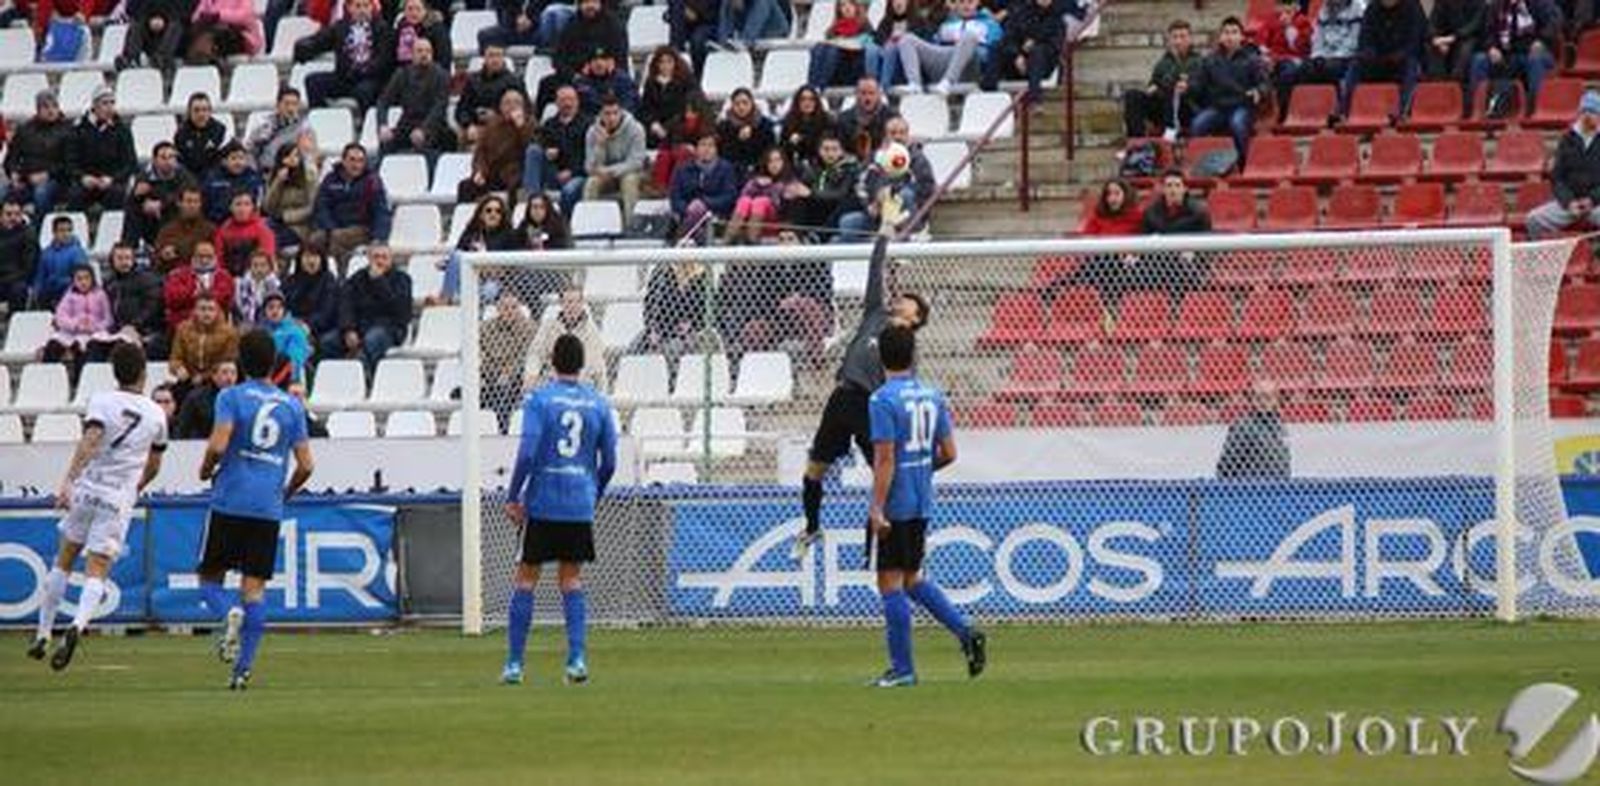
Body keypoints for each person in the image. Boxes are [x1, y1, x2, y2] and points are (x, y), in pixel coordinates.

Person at [27, 343, 167, 671]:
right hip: (117, 497)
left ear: (114, 373)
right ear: (144, 374)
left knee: (63, 560)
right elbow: (155, 464)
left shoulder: (101, 401)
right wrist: (134, 488)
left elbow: (89, 441)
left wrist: (68, 481)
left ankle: (43, 634)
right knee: (97, 568)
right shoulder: (156, 413)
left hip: (88, 489)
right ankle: (77, 625)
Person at [864, 323, 985, 687]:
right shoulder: (933, 396)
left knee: (890, 583)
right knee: (912, 578)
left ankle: (903, 671)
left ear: (880, 358)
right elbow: (949, 453)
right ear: (913, 355)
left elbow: (884, 459)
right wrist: (921, 469)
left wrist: (877, 508)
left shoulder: (882, 400)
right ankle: (966, 633)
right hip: (921, 501)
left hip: (897, 502)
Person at [794, 237, 930, 560]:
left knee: (886, 474)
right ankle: (812, 527)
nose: (901, 300)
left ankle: (893, 533)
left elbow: (902, 389)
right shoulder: (874, 315)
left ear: (917, 318)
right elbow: (875, 274)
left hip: (871, 407)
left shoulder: (906, 347)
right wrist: (882, 238)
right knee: (814, 470)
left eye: (910, 301)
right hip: (842, 398)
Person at [196, 329, 315, 690]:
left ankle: (226, 612)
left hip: (230, 499)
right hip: (267, 506)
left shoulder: (230, 397)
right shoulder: (291, 406)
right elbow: (307, 465)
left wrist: (204, 470)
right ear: (274, 363)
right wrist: (285, 493)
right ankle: (242, 670)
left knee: (210, 579)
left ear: (241, 363)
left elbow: (218, 444)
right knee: (255, 591)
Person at [501, 333, 617, 686]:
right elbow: (610, 460)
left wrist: (513, 494)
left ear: (552, 361)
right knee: (571, 579)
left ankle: (515, 665)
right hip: (578, 502)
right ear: (582, 365)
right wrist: (593, 492)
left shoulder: (539, 400)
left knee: (525, 579)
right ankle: (577, 660)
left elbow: (528, 451)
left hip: (543, 501)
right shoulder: (598, 403)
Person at [294, 0, 394, 112]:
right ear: (349, 8)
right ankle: (323, 117)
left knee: (365, 91)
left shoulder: (382, 28)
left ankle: (365, 123)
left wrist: (363, 69)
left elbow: (383, 60)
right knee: (313, 82)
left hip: (369, 78)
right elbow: (320, 41)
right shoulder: (340, 27)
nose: (362, 10)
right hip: (344, 77)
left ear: (372, 7)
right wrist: (302, 46)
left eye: (366, 6)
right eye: (358, 6)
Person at [1189, 17, 1264, 164]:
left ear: (1241, 37)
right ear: (1221, 36)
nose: (1230, 36)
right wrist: (1187, 87)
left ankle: (1243, 163)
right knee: (1197, 125)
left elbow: (1264, 83)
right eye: (1226, 32)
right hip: (1217, 107)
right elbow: (1198, 84)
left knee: (1238, 124)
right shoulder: (1209, 60)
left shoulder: (1252, 59)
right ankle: (1202, 164)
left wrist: (1258, 91)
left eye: (1234, 32)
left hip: (1241, 106)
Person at [1528, 91, 1600, 238]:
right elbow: (1557, 178)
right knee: (1534, 219)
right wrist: (1569, 202)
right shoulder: (1567, 139)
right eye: (1585, 111)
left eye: (1592, 111)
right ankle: (1542, 258)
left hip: (1596, 204)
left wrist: (1592, 199)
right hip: (1569, 205)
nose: (1588, 115)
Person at [332, 244, 412, 373]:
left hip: (390, 328)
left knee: (372, 339)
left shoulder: (402, 279)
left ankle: (363, 378)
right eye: (376, 257)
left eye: (384, 257)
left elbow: (401, 312)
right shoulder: (357, 278)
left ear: (391, 259)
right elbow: (346, 305)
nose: (380, 261)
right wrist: (349, 329)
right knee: (328, 341)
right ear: (369, 259)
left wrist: (379, 281)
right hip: (360, 326)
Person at [1466, 0, 1558, 113]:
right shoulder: (1495, 7)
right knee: (1479, 60)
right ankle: (1477, 107)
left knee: (1535, 60)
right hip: (1505, 55)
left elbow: (1554, 23)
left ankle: (1535, 108)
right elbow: (1486, 33)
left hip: (1532, 52)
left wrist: (1542, 41)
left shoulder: (1539, 3)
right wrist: (1491, 48)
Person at [895, 0, 1001, 95]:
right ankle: (915, 84)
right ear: (955, 4)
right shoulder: (946, 23)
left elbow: (993, 52)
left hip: (970, 65)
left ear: (978, 2)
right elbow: (934, 46)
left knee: (969, 36)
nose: (966, 5)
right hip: (944, 60)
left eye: (970, 1)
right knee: (907, 38)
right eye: (962, 1)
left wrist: (964, 44)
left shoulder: (989, 24)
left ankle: (948, 82)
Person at [311, 143, 393, 268]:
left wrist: (379, 238)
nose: (356, 165)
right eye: (352, 160)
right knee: (314, 240)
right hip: (334, 228)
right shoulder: (330, 179)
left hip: (362, 228)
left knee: (338, 238)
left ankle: (339, 277)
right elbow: (321, 206)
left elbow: (381, 211)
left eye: (360, 161)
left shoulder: (372, 181)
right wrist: (330, 227)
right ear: (343, 161)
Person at [638, 47, 709, 191]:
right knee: (663, 155)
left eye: (669, 61)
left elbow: (693, 109)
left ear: (676, 63)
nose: (665, 66)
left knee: (679, 153)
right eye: (661, 62)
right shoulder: (651, 83)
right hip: (657, 131)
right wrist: (653, 124)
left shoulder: (687, 82)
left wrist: (671, 127)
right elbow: (645, 109)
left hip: (682, 131)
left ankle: (675, 187)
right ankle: (659, 188)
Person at [1341, 0, 1425, 117]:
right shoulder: (1372, 9)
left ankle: (1403, 113)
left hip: (1402, 60)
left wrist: (1399, 55)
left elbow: (1415, 42)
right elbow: (1365, 40)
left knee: (1411, 66)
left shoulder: (1413, 8)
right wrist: (1370, 54)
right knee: (1356, 65)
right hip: (1377, 60)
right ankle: (1344, 111)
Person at [375, 37, 454, 159]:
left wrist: (424, 130)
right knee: (386, 143)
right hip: (407, 123)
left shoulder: (442, 75)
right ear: (412, 54)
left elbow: (439, 107)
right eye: (420, 51)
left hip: (435, 126)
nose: (424, 54)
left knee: (432, 144)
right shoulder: (402, 74)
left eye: (428, 51)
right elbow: (383, 102)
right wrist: (383, 125)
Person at [1123, 20, 1200, 139]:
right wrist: (1152, 88)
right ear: (1169, 40)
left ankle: (1170, 132)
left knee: (1172, 88)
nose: (1178, 41)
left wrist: (1187, 86)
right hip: (1162, 106)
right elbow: (1153, 84)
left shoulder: (1198, 62)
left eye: (1182, 36)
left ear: (1190, 39)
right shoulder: (1163, 63)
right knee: (1132, 96)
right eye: (1175, 37)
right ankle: (1136, 140)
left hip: (1186, 107)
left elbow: (1200, 86)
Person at [64, 87, 136, 212]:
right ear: (94, 105)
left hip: (111, 181)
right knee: (75, 196)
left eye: (112, 103)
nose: (109, 107)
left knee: (117, 195)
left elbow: (130, 162)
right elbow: (70, 161)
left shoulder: (122, 130)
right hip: (85, 181)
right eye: (105, 103)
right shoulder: (78, 129)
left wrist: (113, 178)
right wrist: (82, 177)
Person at [458, 90, 537, 205]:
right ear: (501, 107)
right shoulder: (492, 125)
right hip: (492, 173)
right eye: (507, 103)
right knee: (465, 186)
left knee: (515, 188)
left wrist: (521, 127)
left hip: (516, 174)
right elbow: (481, 152)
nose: (512, 106)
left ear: (523, 106)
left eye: (516, 103)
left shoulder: (530, 123)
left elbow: (531, 149)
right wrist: (479, 171)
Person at [40, 264, 115, 382]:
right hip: (71, 333)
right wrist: (75, 324)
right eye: (79, 279)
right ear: (73, 281)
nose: (83, 282)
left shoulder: (101, 295)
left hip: (94, 333)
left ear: (92, 279)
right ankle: (48, 379)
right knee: (53, 346)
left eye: (86, 278)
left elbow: (108, 318)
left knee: (86, 351)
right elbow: (60, 317)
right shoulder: (69, 296)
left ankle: (79, 382)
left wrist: (95, 326)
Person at [525, 285, 607, 390]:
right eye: (568, 302)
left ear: (582, 304)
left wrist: (602, 390)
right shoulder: (548, 326)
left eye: (576, 302)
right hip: (552, 382)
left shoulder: (591, 331)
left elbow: (599, 365)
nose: (572, 306)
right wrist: (532, 373)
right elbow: (535, 353)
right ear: (561, 304)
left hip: (582, 385)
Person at [581, 93, 648, 222]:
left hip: (632, 173)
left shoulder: (636, 129)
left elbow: (637, 162)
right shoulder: (592, 132)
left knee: (629, 181)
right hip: (605, 177)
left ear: (621, 112)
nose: (611, 118)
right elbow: (589, 167)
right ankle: (589, 224)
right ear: (600, 114)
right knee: (591, 183)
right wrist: (600, 146)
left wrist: (609, 171)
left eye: (615, 113)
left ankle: (632, 225)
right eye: (607, 113)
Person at [980, 0, 1063, 102]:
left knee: (1039, 52)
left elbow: (1056, 46)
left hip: (1042, 66)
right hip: (1017, 62)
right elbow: (1009, 37)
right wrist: (1017, 55)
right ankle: (989, 91)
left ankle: (1034, 98)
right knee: (997, 47)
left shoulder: (1058, 18)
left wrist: (1035, 42)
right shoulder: (1021, 13)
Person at [526, 85, 591, 216]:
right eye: (563, 100)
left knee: (569, 191)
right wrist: (546, 150)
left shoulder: (588, 124)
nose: (567, 103)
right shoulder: (549, 124)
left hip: (578, 174)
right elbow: (537, 141)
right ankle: (534, 200)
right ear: (556, 103)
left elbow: (591, 155)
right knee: (533, 151)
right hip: (553, 172)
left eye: (571, 99)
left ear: (577, 101)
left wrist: (572, 172)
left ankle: (563, 224)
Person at [4, 90, 70, 217]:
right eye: (46, 107)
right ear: (38, 109)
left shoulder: (67, 130)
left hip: (57, 181)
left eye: (54, 106)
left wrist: (47, 174)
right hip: (27, 179)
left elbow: (69, 164)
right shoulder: (25, 130)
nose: (51, 110)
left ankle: (40, 229)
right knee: (3, 192)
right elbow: (12, 158)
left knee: (41, 193)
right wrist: (14, 173)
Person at [123, 141, 197, 251]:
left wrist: (160, 203)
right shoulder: (144, 176)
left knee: (182, 206)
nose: (168, 161)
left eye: (171, 157)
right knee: (133, 208)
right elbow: (134, 199)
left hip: (175, 217)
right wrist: (138, 198)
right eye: (163, 157)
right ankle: (130, 247)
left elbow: (185, 194)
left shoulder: (185, 176)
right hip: (152, 221)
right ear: (154, 160)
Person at [481, 288, 538, 430]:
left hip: (516, 377)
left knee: (504, 388)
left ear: (519, 308)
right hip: (490, 374)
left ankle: (502, 427)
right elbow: (479, 352)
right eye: (505, 307)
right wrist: (490, 371)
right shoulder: (485, 328)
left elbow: (525, 356)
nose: (509, 311)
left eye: (513, 307)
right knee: (487, 386)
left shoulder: (529, 327)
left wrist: (507, 372)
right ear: (498, 309)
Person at [168, 293, 240, 402]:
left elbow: (227, 361)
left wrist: (205, 376)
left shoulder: (229, 333)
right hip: (189, 379)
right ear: (195, 311)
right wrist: (178, 368)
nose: (207, 314)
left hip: (216, 381)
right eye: (202, 309)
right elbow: (175, 357)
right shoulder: (183, 329)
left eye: (211, 309)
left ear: (217, 311)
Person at [669, 132, 739, 242]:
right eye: (703, 145)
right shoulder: (682, 169)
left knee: (698, 210)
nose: (706, 149)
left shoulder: (726, 168)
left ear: (716, 149)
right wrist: (688, 208)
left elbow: (729, 196)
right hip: (686, 214)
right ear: (696, 148)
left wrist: (705, 203)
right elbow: (675, 197)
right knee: (694, 212)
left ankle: (682, 240)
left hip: (716, 215)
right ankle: (693, 238)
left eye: (710, 145)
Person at [456, 45, 529, 146]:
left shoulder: (514, 81)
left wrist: (497, 116)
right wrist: (468, 124)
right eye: (491, 56)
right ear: (484, 59)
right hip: (477, 124)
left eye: (498, 55)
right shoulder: (473, 81)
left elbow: (525, 109)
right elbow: (462, 108)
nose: (495, 60)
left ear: (503, 58)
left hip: (505, 127)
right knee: (464, 135)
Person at [787, 132, 862, 231]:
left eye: (835, 149)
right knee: (797, 201)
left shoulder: (850, 168)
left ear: (842, 151)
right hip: (816, 209)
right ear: (819, 150)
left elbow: (841, 195)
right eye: (826, 149)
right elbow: (803, 185)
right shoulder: (813, 166)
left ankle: (816, 236)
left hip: (835, 211)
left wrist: (811, 194)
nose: (830, 154)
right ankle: (796, 237)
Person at [1217, 382, 1291, 479]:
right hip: (1253, 487)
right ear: (1252, 399)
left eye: (1268, 397)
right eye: (1258, 397)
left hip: (1278, 487)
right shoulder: (1243, 426)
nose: (1263, 401)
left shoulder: (1279, 425)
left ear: (1276, 400)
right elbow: (1225, 466)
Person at [103, 243, 167, 356]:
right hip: (118, 330)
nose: (124, 262)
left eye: (127, 258)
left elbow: (151, 308)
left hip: (146, 329)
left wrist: (134, 325)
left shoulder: (146, 279)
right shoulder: (109, 283)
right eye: (120, 258)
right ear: (112, 260)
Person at [724, 147, 796, 241]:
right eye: (770, 161)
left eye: (777, 160)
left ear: (784, 162)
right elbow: (743, 194)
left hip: (776, 221)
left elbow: (780, 203)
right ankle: (727, 240)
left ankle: (751, 241)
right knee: (744, 200)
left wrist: (769, 187)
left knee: (761, 201)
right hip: (751, 218)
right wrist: (756, 185)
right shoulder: (757, 179)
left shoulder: (790, 180)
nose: (774, 164)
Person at [163, 240, 236, 333]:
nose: (204, 261)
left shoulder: (224, 275)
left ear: (215, 257)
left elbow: (225, 298)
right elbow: (172, 299)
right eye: (200, 256)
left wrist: (198, 295)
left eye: (208, 257)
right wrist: (195, 293)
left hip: (216, 324)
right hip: (184, 323)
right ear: (193, 257)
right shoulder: (178, 274)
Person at [810, 0, 880, 90]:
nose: (847, 8)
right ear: (839, 10)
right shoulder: (833, 30)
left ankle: (817, 87)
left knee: (833, 50)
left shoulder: (866, 28)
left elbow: (870, 46)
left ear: (856, 7)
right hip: (837, 70)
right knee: (819, 48)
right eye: (843, 5)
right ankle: (813, 86)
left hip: (855, 70)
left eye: (851, 4)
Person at [282, 247, 341, 354]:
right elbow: (283, 306)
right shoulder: (290, 281)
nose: (311, 261)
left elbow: (327, 312)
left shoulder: (328, 280)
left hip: (319, 328)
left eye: (315, 256)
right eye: (307, 257)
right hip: (292, 324)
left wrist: (308, 324)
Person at [263, 144, 317, 255]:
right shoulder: (275, 176)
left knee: (272, 240)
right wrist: (278, 182)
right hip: (276, 221)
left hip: (299, 227)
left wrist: (286, 217)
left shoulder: (309, 177)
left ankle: (271, 268)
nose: (292, 159)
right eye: (288, 156)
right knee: (257, 231)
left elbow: (312, 208)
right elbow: (268, 207)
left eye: (296, 155)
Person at [874, 0, 941, 89]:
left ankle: (883, 87)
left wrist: (902, 38)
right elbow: (878, 39)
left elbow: (925, 41)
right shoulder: (885, 22)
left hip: (910, 60)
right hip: (888, 57)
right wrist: (889, 40)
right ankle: (873, 83)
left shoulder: (919, 21)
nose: (898, 3)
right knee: (876, 49)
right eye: (894, 1)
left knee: (893, 47)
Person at [246, 87, 315, 172]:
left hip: (291, 174)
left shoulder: (304, 128)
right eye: (286, 104)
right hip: (264, 173)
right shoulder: (263, 124)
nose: (290, 109)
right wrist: (254, 172)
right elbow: (249, 150)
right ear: (278, 105)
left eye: (295, 104)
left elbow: (307, 156)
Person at [834, 78, 898, 162]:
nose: (867, 98)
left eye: (871, 93)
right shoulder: (844, 118)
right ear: (856, 94)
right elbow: (839, 147)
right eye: (863, 93)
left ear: (879, 94)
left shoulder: (891, 116)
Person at [201, 142, 266, 225]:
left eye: (241, 158)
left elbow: (258, 206)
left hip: (247, 225)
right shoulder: (213, 179)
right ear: (224, 161)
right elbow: (205, 204)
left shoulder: (254, 179)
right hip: (217, 224)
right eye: (233, 158)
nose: (238, 162)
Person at [214, 190, 278, 276]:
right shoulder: (223, 230)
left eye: (247, 204)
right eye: (238, 204)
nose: (242, 209)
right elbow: (218, 258)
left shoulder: (263, 230)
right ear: (231, 207)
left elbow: (268, 259)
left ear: (252, 207)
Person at [154, 187, 217, 273]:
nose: (192, 205)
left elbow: (217, 257)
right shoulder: (167, 230)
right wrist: (163, 256)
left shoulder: (210, 229)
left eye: (196, 202)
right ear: (179, 203)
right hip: (174, 277)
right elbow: (156, 259)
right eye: (188, 201)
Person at [718, 88, 776, 179]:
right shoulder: (724, 126)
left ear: (752, 103)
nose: (741, 107)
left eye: (745, 103)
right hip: (733, 172)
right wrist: (739, 140)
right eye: (737, 104)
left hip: (760, 171)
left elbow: (770, 150)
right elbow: (724, 153)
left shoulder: (764, 124)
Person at [1424, 0, 1484, 85]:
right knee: (1431, 45)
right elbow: (1433, 23)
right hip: (1447, 38)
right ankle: (1438, 81)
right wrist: (1436, 38)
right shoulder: (1442, 2)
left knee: (1465, 48)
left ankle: (1455, 83)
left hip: (1469, 38)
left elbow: (1474, 26)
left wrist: (1453, 37)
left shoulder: (1478, 2)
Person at [34, 214, 87, 311]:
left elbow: (81, 277)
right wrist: (37, 290)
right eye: (62, 230)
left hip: (69, 290)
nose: (66, 234)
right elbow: (40, 276)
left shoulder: (78, 252)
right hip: (50, 291)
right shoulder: (46, 253)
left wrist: (61, 282)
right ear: (54, 232)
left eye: (69, 230)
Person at [185, 0, 264, 63]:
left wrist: (219, 16)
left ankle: (202, 57)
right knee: (195, 32)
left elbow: (245, 15)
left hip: (241, 35)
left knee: (213, 35)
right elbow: (197, 15)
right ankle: (202, 57)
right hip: (213, 32)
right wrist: (201, 19)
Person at [116, 0, 186, 71]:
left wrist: (163, 17)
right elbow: (131, 8)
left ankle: (162, 58)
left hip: (173, 24)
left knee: (176, 25)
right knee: (136, 24)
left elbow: (184, 9)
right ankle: (130, 58)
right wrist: (150, 18)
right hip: (147, 24)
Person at [175, 359, 237, 439]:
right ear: (214, 376)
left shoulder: (241, 397)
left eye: (233, 373)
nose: (229, 377)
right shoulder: (196, 398)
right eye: (224, 372)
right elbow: (183, 427)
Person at [260, 293, 310, 390]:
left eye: (279, 307)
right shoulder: (260, 332)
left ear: (284, 310)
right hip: (263, 378)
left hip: (287, 380)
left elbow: (294, 360)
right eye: (271, 307)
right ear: (264, 311)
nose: (275, 311)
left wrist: (275, 381)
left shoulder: (294, 331)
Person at [779, 85, 833, 170]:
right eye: (803, 99)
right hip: (795, 166)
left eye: (811, 99)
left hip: (821, 165)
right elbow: (782, 149)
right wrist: (791, 143)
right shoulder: (789, 121)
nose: (807, 103)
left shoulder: (826, 121)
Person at [174, 93, 229, 178]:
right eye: (196, 110)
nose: (201, 114)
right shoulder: (181, 133)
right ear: (189, 112)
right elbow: (180, 163)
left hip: (215, 179)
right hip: (189, 179)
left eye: (204, 110)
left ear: (210, 111)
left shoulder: (221, 131)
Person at [0, 200, 37, 313]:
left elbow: (28, 267)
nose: (13, 218)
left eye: (17, 214)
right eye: (8, 214)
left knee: (18, 289)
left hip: (16, 279)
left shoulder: (28, 234)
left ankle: (13, 323)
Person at [391, 0, 451, 69]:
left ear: (425, 11)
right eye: (410, 9)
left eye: (418, 9)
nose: (414, 13)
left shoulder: (437, 30)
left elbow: (443, 58)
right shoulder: (400, 29)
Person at [1078, 177, 1143, 235]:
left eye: (1117, 193)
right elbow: (1086, 239)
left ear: (1126, 195)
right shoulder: (1098, 216)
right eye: (1108, 194)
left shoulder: (1138, 217)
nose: (1112, 198)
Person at [669, 0, 718, 75]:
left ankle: (697, 73)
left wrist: (695, 12)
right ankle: (675, 50)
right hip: (685, 21)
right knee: (677, 8)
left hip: (707, 22)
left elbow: (713, 9)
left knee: (697, 40)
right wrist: (685, 9)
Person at [234, 251, 281, 326]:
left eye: (263, 265)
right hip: (247, 323)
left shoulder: (277, 285)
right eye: (255, 265)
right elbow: (240, 308)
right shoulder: (241, 285)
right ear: (249, 267)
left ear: (269, 267)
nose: (259, 269)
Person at [716, 0, 790, 48]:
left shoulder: (762, 2)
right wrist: (724, 44)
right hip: (754, 41)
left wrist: (741, 42)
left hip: (775, 38)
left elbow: (751, 32)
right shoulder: (727, 3)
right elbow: (723, 32)